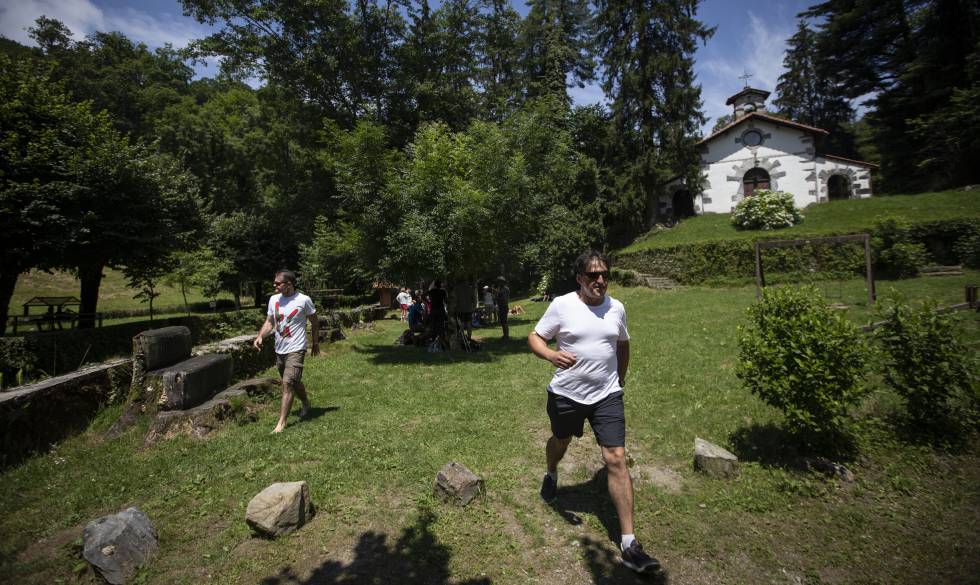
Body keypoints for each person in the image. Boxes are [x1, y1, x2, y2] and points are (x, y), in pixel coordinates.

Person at [527, 250, 660, 574]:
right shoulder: (562, 304)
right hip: (567, 395)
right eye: (593, 275)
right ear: (580, 279)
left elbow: (623, 344)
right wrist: (550, 355)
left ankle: (629, 543)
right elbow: (534, 337)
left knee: (615, 457)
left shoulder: (617, 308)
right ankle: (552, 473)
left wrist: (621, 378)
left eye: (604, 275)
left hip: (607, 395)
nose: (600, 281)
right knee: (560, 441)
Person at [253, 269, 319, 434]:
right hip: (280, 348)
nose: (274, 285)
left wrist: (315, 342)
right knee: (294, 382)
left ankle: (281, 423)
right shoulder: (273, 299)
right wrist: (261, 336)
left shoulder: (304, 300)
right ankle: (305, 402)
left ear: (289, 284)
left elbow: (315, 321)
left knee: (288, 383)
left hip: (297, 348)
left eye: (278, 283)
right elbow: (270, 322)